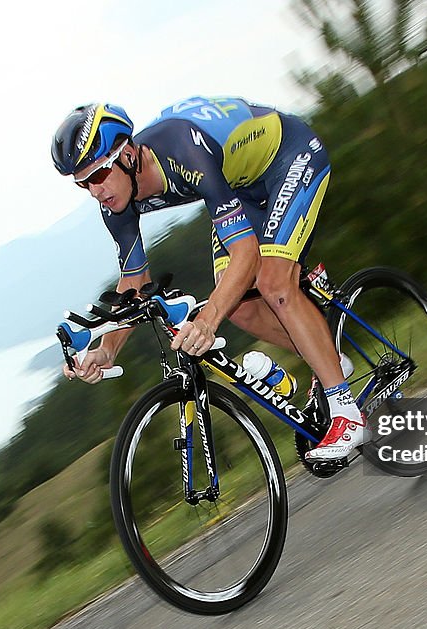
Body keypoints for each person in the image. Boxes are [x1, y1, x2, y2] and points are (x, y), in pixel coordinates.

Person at [50, 96, 364, 461]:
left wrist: (206, 321)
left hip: (289, 157)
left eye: (99, 175)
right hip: (240, 189)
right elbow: (133, 280)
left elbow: (246, 255)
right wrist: (106, 349)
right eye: (83, 184)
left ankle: (347, 413)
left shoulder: (182, 150)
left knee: (274, 284)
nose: (96, 191)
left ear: (129, 155)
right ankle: (330, 360)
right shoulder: (115, 204)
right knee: (239, 308)